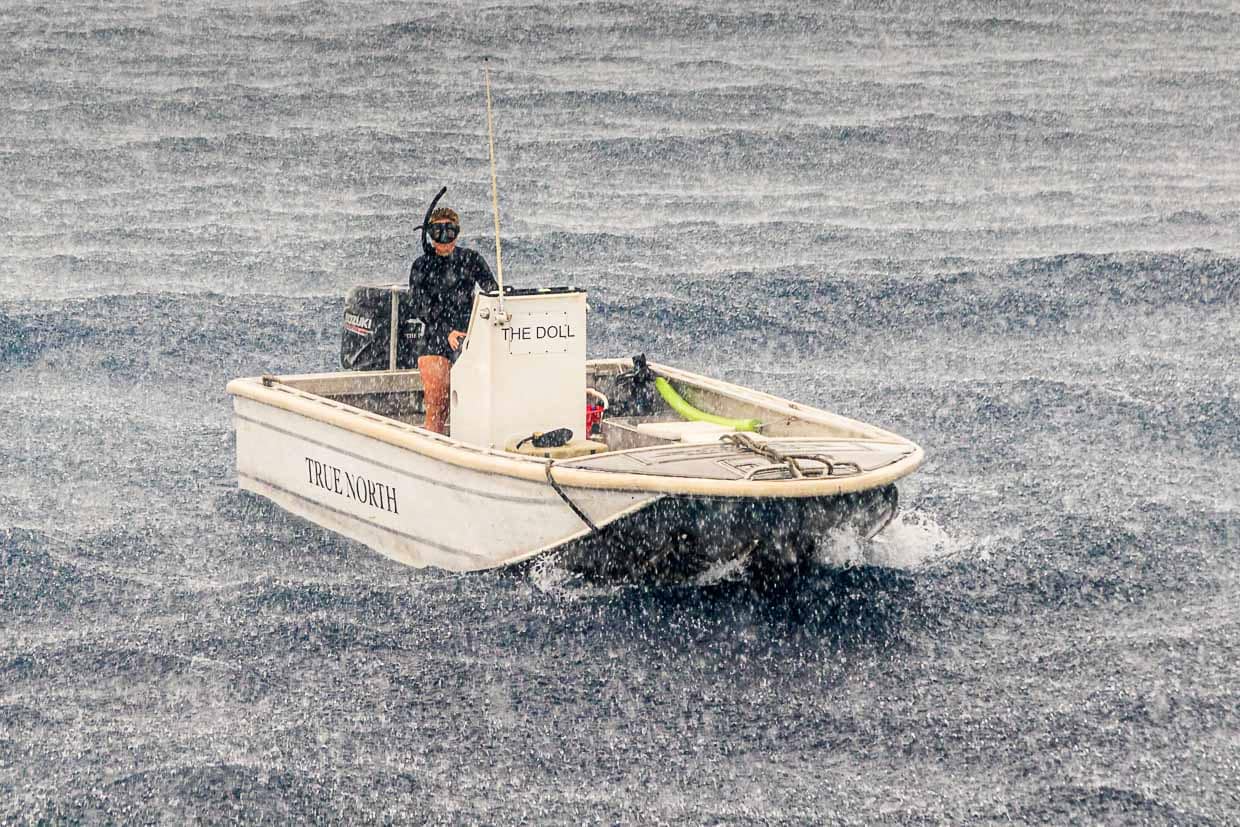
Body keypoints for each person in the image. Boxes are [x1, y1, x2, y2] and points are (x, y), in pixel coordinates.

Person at [409, 206, 497, 434]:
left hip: (467, 337)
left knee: (474, 401)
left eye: (450, 232)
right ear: (430, 234)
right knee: (437, 402)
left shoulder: (470, 259)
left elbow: (492, 291)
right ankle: (433, 444)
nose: (445, 240)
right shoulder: (422, 265)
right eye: (438, 233)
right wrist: (446, 331)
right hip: (435, 338)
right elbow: (420, 307)